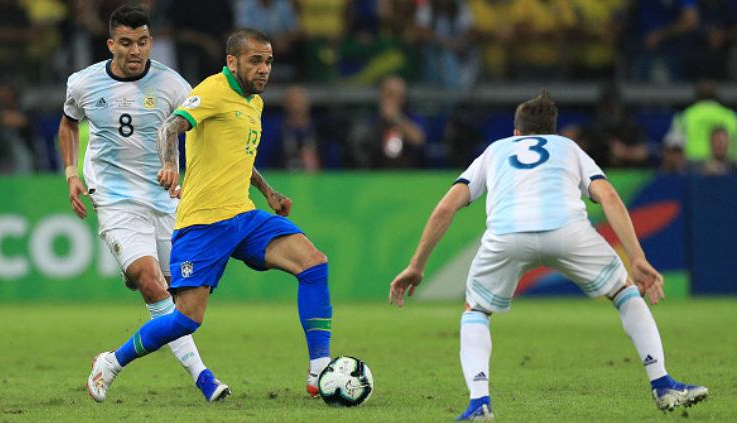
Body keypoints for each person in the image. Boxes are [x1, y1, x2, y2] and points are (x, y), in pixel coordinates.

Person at [389, 91, 708, 421]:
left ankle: (479, 403)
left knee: (477, 311)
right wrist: (637, 256)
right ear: (553, 133)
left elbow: (446, 207)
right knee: (624, 291)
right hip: (567, 231)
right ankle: (662, 383)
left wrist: (417, 265)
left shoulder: (495, 151)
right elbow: (608, 195)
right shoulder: (568, 148)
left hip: (507, 235)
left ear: (516, 133)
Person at [85, 28, 333, 402]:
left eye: (268, 62)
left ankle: (320, 373)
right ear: (232, 61)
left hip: (245, 217)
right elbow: (172, 126)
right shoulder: (213, 90)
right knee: (187, 319)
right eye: (255, 61)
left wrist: (268, 193)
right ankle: (110, 362)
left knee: (314, 265)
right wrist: (170, 164)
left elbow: (238, 157)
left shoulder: (255, 103)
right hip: (203, 222)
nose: (264, 69)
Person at [58, 4, 228, 402]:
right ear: (111, 44)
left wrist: (184, 171)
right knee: (154, 286)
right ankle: (204, 378)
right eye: (127, 43)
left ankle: (134, 271)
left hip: (166, 201)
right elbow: (68, 121)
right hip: (116, 200)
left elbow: (201, 133)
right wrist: (70, 172)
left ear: (151, 41)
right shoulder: (83, 84)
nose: (136, 51)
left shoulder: (173, 85)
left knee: (184, 297)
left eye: (143, 42)